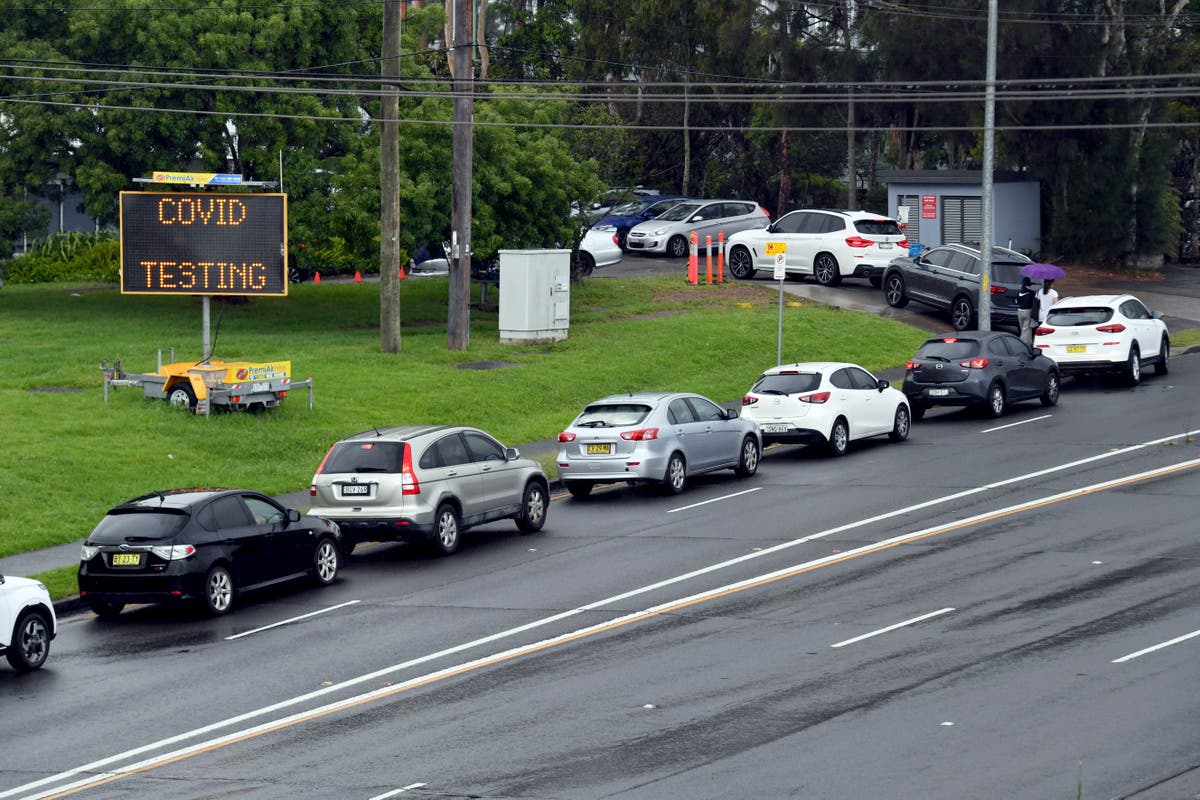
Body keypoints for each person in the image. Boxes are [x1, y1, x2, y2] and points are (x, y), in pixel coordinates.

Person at [1016, 276, 1037, 345]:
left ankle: (1028, 341)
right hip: (1027, 311)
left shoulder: (1019, 292)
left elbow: (1017, 302)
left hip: (1019, 311)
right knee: (1026, 329)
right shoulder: (1031, 293)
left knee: (1022, 328)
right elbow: (1034, 302)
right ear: (1028, 285)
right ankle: (1023, 343)